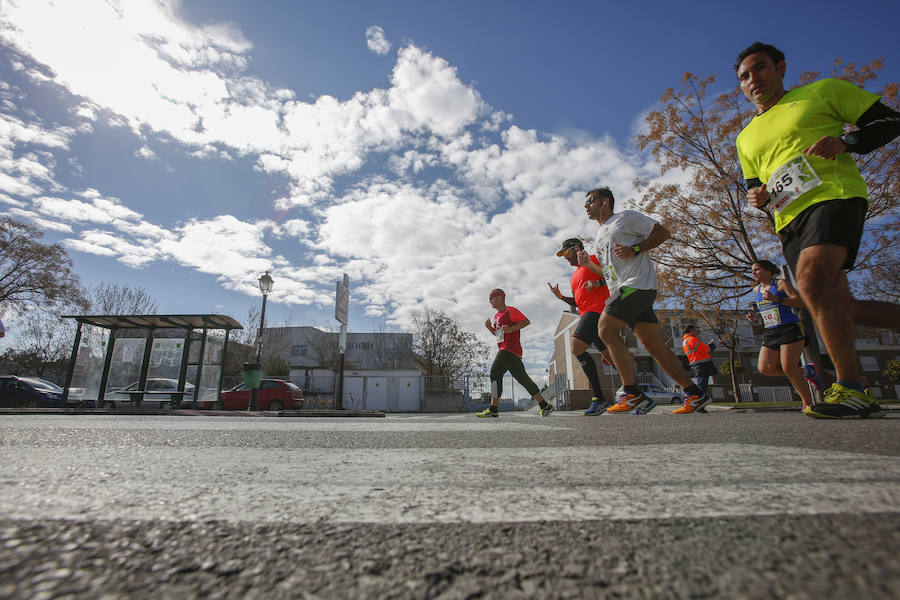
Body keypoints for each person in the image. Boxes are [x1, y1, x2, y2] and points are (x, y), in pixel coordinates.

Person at [735, 42, 900, 418]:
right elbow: (753, 186)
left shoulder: (821, 91)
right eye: (744, 76)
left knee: (809, 282)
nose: (752, 80)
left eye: (760, 68)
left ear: (781, 68)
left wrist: (847, 142)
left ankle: (851, 388)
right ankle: (856, 391)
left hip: (833, 197)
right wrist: (756, 197)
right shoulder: (745, 138)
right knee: (843, 306)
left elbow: (890, 121)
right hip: (788, 221)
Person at [576, 186, 711, 415]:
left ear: (605, 202)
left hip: (635, 285)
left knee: (605, 330)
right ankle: (694, 393)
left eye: (590, 200)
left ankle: (632, 393)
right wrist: (589, 266)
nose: (586, 206)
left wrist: (636, 248)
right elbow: (609, 272)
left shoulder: (625, 218)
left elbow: (662, 233)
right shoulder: (600, 236)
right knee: (653, 345)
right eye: (585, 202)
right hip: (624, 287)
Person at [549, 237, 617, 415]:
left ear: (576, 248)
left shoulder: (593, 260)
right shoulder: (575, 275)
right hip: (586, 313)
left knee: (577, 346)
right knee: (609, 356)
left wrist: (597, 283)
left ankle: (599, 398)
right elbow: (579, 302)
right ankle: (635, 390)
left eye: (565, 252)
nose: (564, 257)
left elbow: (614, 276)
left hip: (598, 311)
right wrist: (562, 297)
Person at [745, 260, 814, 411]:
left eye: (757, 269)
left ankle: (808, 403)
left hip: (789, 328)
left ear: (768, 270)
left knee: (789, 368)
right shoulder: (756, 290)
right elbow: (768, 308)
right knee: (765, 368)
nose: (753, 273)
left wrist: (778, 299)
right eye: (752, 271)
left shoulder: (781, 284)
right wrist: (756, 316)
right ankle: (806, 372)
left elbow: (800, 301)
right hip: (770, 331)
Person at [477, 289, 554, 418]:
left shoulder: (510, 311)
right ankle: (545, 406)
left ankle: (493, 409)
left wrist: (511, 328)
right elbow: (499, 334)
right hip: (508, 349)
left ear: (500, 297)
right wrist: (490, 327)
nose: (489, 301)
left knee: (495, 373)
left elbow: (526, 322)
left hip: (509, 349)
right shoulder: (497, 317)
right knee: (523, 379)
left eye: (491, 298)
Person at [681, 325, 717, 397]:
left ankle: (699, 400)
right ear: (691, 330)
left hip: (696, 364)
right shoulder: (692, 339)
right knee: (702, 386)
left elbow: (698, 351)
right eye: (695, 330)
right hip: (702, 365)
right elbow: (706, 350)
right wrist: (711, 345)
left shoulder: (685, 341)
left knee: (701, 383)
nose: (697, 331)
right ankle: (699, 400)